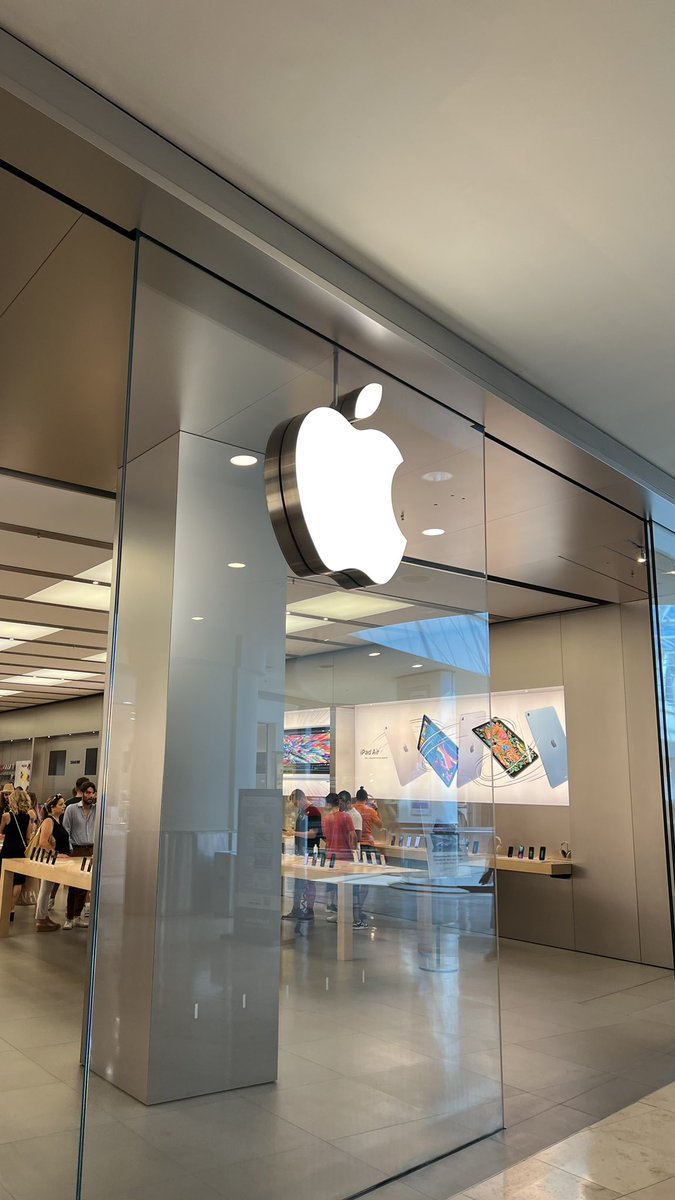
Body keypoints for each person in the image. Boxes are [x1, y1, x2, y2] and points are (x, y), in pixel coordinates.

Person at [282, 788, 322, 922]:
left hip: (310, 850)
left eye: (295, 803)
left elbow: (313, 833)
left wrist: (295, 833)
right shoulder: (302, 812)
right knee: (298, 880)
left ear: (300, 799)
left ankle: (309, 910)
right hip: (300, 850)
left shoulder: (314, 812)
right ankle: (296, 908)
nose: (295, 806)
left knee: (310, 881)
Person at [62, 781, 96, 929]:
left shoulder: (97, 809)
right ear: (82, 793)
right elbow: (66, 830)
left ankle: (77, 916)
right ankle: (69, 918)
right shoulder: (71, 809)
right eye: (87, 792)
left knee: (84, 885)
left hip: (91, 850)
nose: (90, 795)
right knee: (73, 884)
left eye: (92, 792)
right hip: (76, 849)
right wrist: (69, 850)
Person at [34, 795, 70, 932]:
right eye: (60, 804)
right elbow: (43, 842)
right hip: (50, 860)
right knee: (45, 888)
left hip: (56, 860)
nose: (63, 806)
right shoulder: (49, 821)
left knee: (47, 889)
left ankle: (43, 915)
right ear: (52, 807)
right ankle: (41, 918)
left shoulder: (57, 820)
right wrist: (56, 854)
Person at [0, 789, 35, 922]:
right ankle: (11, 909)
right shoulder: (28, 817)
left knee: (5, 878)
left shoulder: (6, 816)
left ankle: (2, 907)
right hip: (21, 851)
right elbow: (27, 836)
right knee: (18, 881)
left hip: (8, 849)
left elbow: (1, 831)